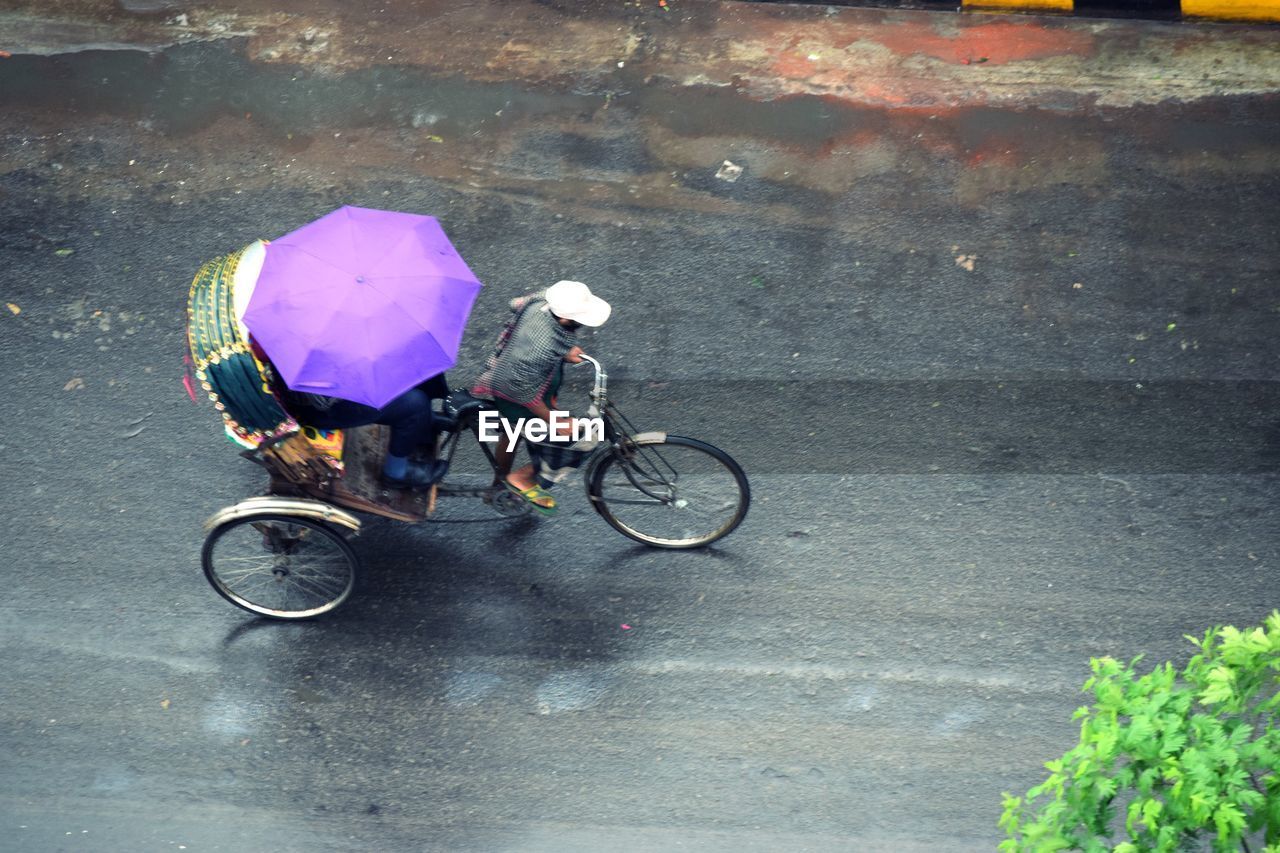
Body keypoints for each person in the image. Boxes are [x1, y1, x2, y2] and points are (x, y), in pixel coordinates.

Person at [471, 280, 611, 515]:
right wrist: (553, 419)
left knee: (511, 433)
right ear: (566, 319)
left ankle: (500, 481)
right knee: (584, 438)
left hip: (519, 379)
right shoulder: (542, 347)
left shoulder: (542, 300)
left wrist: (564, 350)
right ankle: (522, 477)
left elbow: (516, 307)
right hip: (519, 393)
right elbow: (521, 391)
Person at [250, 337, 449, 488]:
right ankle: (396, 472)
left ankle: (421, 424)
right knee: (415, 403)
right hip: (319, 406)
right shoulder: (292, 341)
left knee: (415, 356)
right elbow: (322, 397)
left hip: (338, 380)